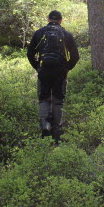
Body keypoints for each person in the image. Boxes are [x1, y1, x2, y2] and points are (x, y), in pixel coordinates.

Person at [27, 10, 79, 142]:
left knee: (43, 98)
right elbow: (75, 56)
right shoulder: (66, 34)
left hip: (44, 70)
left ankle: (45, 127)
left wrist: (37, 67)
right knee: (58, 100)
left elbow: (30, 53)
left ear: (48, 19)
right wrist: (67, 68)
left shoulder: (39, 33)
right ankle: (57, 130)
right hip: (60, 71)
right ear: (61, 20)